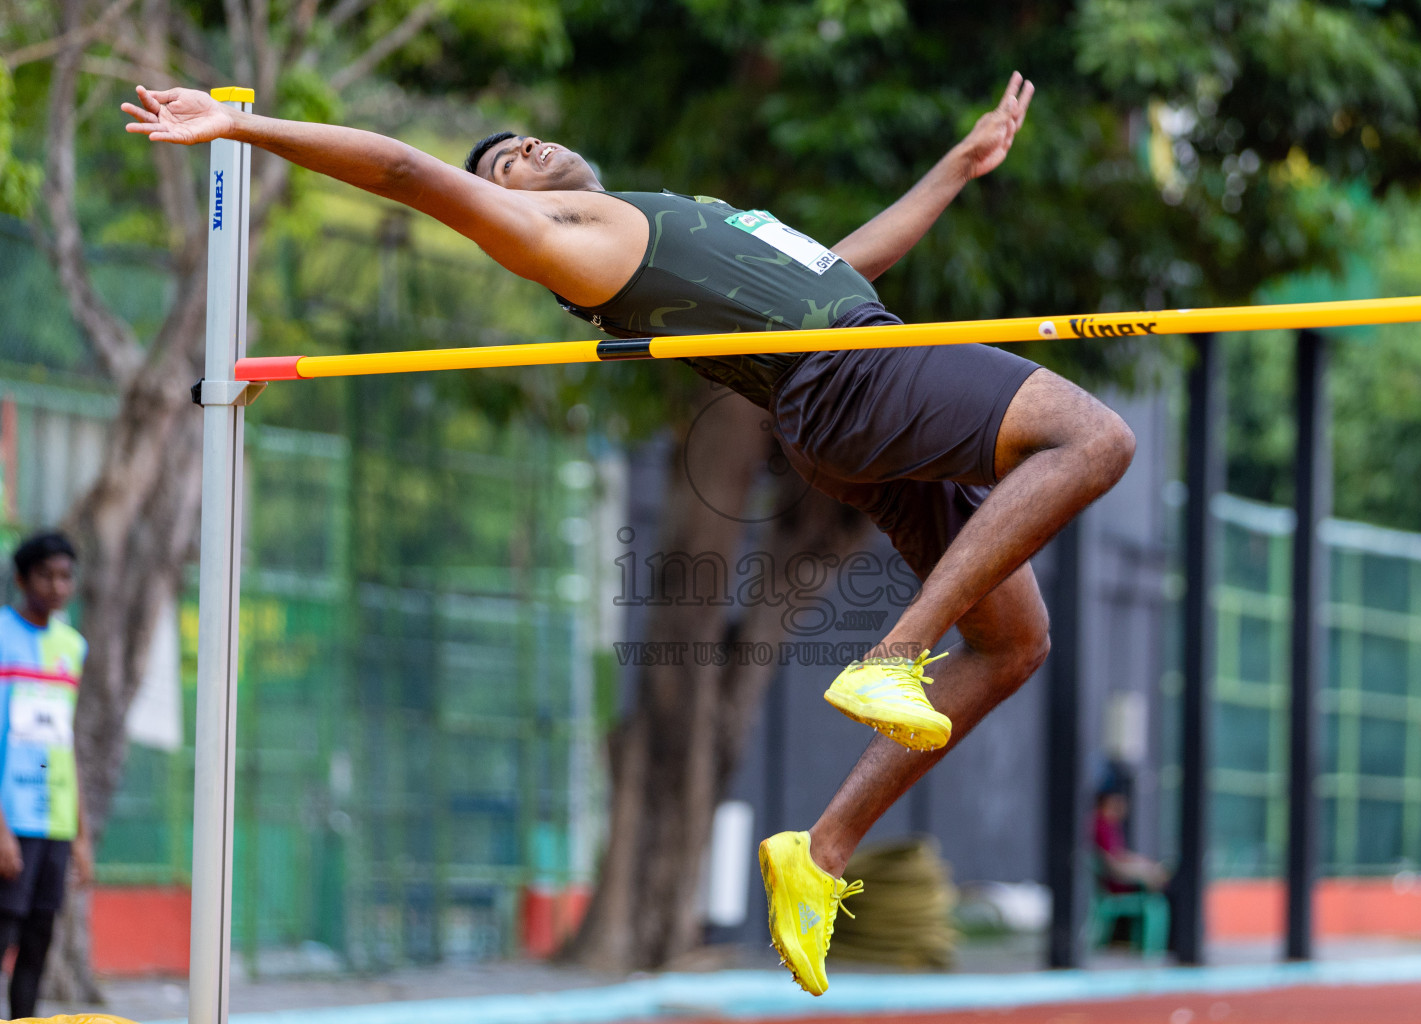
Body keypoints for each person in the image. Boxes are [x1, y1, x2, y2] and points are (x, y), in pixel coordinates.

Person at [123, 73, 1135, 994]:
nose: (519, 151)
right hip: (856, 380)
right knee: (1095, 436)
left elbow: (843, 266)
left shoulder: (668, 218)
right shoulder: (566, 238)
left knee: (1014, 643)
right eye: (499, 165)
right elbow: (400, 165)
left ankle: (818, 853)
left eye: (519, 139)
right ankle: (897, 653)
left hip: (842, 381)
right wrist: (243, 127)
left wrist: (952, 168)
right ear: (506, 207)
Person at [0, 531, 92, 1019]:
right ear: (21, 579)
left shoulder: (72, 647)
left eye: (66, 576)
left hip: (53, 821)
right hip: (10, 822)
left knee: (38, 943)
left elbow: (63, 744)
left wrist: (80, 834)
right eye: (46, 575)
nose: (58, 586)